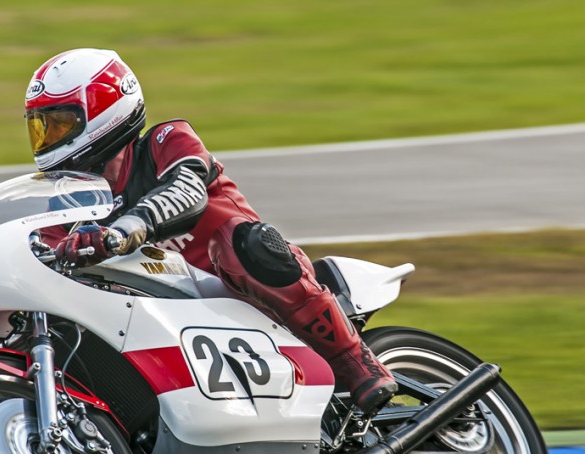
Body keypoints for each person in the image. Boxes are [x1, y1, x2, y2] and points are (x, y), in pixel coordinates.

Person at [24, 48, 397, 414]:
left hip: (244, 289)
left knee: (245, 244)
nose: (49, 137)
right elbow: (43, 254)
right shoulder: (67, 204)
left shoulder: (166, 140)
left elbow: (186, 191)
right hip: (170, 318)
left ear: (105, 112)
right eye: (42, 126)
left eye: (60, 123)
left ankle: (354, 361)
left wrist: (124, 230)